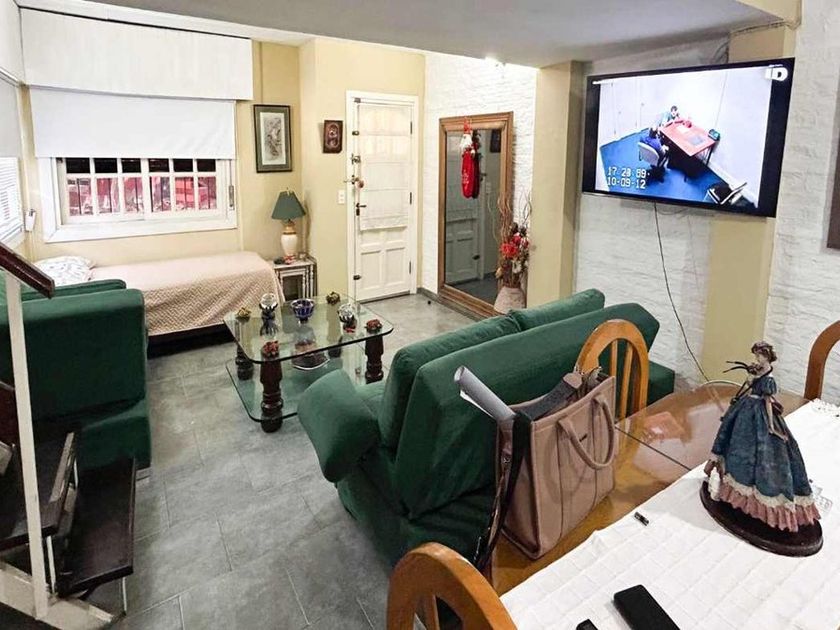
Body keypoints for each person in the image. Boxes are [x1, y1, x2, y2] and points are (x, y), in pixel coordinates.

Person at [704, 341, 820, 532]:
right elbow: (749, 386)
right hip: (746, 407)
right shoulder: (758, 371)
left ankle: (759, 500)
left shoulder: (769, 379)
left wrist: (772, 425)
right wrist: (750, 377)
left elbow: (767, 401)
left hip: (759, 412)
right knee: (735, 439)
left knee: (763, 452)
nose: (757, 358)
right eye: (756, 355)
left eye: (759, 355)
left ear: (767, 357)